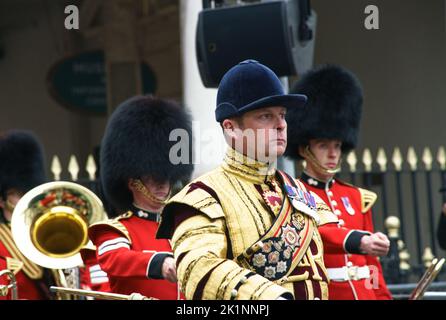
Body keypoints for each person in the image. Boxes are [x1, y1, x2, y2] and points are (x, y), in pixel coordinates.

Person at [157, 60, 339, 300]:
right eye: (265, 116)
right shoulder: (202, 197)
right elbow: (198, 271)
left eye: (282, 115)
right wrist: (269, 298)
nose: (281, 125)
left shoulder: (299, 191)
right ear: (231, 128)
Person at [285, 64, 392, 300]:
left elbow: (371, 264)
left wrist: (382, 297)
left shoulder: (356, 197)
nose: (333, 153)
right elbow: (316, 232)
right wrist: (358, 240)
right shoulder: (294, 194)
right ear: (304, 149)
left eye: (337, 145)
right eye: (323, 145)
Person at [87, 95, 193, 300]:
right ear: (132, 182)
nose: (163, 183)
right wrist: (158, 263)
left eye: (168, 176)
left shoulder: (185, 226)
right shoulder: (116, 230)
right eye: (153, 177)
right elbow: (115, 259)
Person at [0, 130, 52, 299]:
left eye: (30, 191)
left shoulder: (48, 233)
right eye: (19, 193)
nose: (28, 198)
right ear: (2, 200)